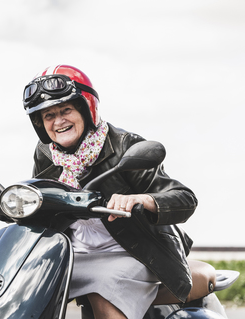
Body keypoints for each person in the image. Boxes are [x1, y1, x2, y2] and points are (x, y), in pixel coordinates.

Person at [23, 65, 198, 319]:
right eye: (48, 115)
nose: (58, 121)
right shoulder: (46, 153)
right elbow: (42, 195)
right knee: (23, 284)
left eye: (66, 110)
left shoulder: (125, 146)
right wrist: (13, 199)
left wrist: (141, 199)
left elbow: (185, 198)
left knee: (102, 290)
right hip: (74, 252)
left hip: (133, 251)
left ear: (86, 108)